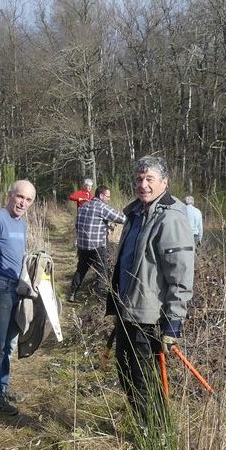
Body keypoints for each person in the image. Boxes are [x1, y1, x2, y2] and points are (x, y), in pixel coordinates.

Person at [106, 155, 194, 426]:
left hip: (149, 317)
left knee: (144, 380)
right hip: (127, 310)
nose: (143, 184)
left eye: (149, 179)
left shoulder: (171, 218)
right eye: (139, 179)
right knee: (126, 372)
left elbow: (181, 276)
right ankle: (143, 428)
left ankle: (157, 436)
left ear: (164, 182)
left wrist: (173, 324)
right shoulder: (135, 213)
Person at [0, 179, 36, 415]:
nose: (23, 203)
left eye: (28, 199)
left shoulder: (21, 224)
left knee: (8, 343)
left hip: (16, 290)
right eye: (20, 196)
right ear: (10, 195)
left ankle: (1, 387)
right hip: (0, 288)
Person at [68, 185, 126, 301]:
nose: (108, 199)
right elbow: (122, 219)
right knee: (102, 271)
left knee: (81, 270)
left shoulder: (83, 207)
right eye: (107, 196)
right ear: (101, 196)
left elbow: (77, 225)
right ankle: (99, 297)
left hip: (83, 246)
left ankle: (72, 294)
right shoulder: (102, 207)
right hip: (98, 246)